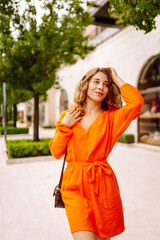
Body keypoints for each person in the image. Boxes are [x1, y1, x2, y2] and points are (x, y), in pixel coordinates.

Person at [49, 67, 144, 240]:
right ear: (86, 84)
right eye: (96, 82)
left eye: (106, 84)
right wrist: (65, 127)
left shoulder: (112, 118)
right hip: (74, 186)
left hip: (103, 187)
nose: (101, 87)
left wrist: (116, 77)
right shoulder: (68, 116)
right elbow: (56, 152)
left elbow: (136, 102)